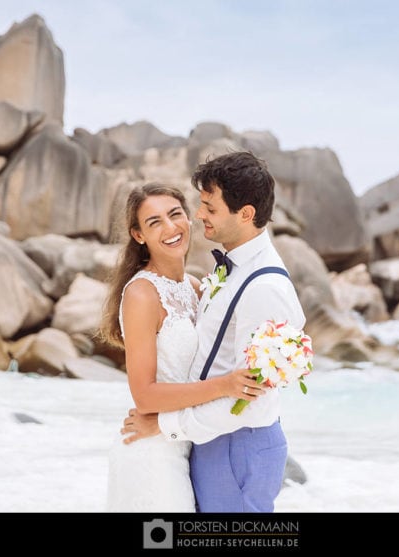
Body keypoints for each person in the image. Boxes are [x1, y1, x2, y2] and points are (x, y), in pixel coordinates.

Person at [120, 151, 307, 513]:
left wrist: (166, 425)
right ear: (138, 234)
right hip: (204, 444)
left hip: (235, 445)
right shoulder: (222, 274)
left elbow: (249, 397)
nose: (198, 215)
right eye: (199, 205)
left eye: (209, 207)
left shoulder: (263, 286)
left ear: (246, 214)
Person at [99, 182, 263, 512]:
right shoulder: (141, 294)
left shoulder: (195, 286)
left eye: (175, 215)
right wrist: (226, 386)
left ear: (189, 219)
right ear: (138, 235)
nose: (170, 228)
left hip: (186, 444)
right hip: (150, 453)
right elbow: (144, 395)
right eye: (154, 222)